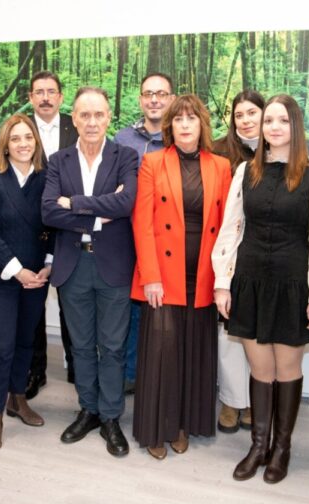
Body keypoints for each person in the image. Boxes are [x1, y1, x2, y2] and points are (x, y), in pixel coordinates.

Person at [213, 94, 309, 484]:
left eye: (282, 121)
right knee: (259, 370)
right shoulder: (246, 171)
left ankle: (282, 448)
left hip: (292, 286)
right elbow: (231, 229)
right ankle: (258, 445)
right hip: (249, 282)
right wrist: (222, 283)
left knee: (286, 370)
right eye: (269, 121)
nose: (274, 128)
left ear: (295, 126)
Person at [131, 94, 232, 459]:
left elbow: (228, 228)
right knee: (162, 351)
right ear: (170, 126)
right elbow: (142, 224)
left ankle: (184, 423)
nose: (185, 125)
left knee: (194, 352)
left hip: (203, 274)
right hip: (163, 274)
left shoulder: (220, 166)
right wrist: (150, 277)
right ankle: (157, 428)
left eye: (192, 118)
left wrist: (223, 279)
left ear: (202, 124)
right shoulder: (153, 163)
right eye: (179, 119)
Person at [42, 87, 138, 458]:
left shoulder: (125, 156)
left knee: (112, 348)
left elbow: (126, 202)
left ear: (109, 117)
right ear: (74, 119)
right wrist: (99, 214)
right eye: (85, 115)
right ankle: (89, 410)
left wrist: (76, 205)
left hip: (113, 265)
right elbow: (49, 211)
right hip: (73, 265)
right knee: (80, 346)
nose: (92, 122)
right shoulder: (58, 160)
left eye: (99, 115)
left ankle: (111, 416)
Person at [0, 114, 52, 453]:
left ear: (36, 142)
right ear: (5, 143)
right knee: (0, 348)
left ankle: (17, 399)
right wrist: (17, 270)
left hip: (36, 279)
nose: (23, 144)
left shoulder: (46, 178)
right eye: (16, 138)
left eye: (28, 137)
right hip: (1, 280)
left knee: (25, 344)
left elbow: (53, 225)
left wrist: (48, 265)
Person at [114, 72, 176, 395]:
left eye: (161, 94)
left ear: (171, 99)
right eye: (149, 94)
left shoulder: (180, 136)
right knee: (131, 306)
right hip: (125, 235)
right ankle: (130, 373)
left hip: (167, 239)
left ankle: (160, 375)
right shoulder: (123, 138)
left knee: (163, 307)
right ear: (140, 99)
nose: (154, 99)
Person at [210, 89, 264, 433]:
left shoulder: (281, 148)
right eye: (239, 115)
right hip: (227, 248)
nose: (245, 120)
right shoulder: (217, 150)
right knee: (228, 329)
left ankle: (255, 401)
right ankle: (232, 400)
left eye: (251, 113)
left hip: (263, 251)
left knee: (258, 332)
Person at [26, 70, 79, 396]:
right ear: (31, 97)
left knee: (71, 303)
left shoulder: (77, 129)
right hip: (31, 229)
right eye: (39, 92)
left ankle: (77, 367)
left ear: (61, 97)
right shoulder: (19, 130)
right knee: (32, 305)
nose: (45, 97)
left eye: (51, 91)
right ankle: (35, 371)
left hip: (69, 228)